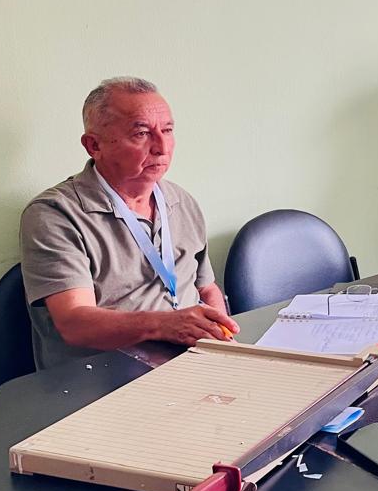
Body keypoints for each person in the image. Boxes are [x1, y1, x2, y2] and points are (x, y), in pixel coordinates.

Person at [20, 77, 239, 369]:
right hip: (105, 375)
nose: (162, 147)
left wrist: (221, 341)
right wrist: (165, 325)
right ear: (94, 145)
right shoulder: (55, 213)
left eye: (168, 130)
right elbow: (74, 323)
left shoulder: (181, 201)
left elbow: (206, 288)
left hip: (191, 362)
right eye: (142, 133)